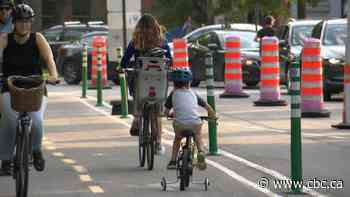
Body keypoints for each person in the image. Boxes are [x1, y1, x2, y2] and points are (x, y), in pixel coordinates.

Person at [0, 3, 59, 175]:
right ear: (14, 22)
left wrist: (53, 75)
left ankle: (36, 150)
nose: (23, 25)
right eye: (19, 21)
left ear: (31, 22)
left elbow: (49, 60)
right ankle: (6, 159)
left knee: (37, 120)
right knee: (9, 120)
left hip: (35, 87)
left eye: (27, 21)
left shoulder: (38, 38)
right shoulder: (4, 39)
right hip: (9, 87)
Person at [120, 14, 172, 155]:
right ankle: (159, 143)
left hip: (142, 78)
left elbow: (125, 59)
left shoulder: (136, 41)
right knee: (157, 113)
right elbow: (170, 61)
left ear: (139, 28)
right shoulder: (162, 42)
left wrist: (122, 68)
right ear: (156, 26)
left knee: (138, 91)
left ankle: (137, 118)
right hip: (159, 80)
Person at [164, 68, 216, 170]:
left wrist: (170, 114)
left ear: (174, 83)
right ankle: (200, 152)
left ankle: (173, 161)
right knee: (197, 135)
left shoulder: (173, 94)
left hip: (180, 124)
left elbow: (165, 111)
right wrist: (212, 116)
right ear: (189, 82)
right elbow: (208, 107)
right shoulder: (193, 93)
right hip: (195, 123)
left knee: (177, 138)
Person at [0, 0, 13, 174]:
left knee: (9, 117)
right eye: (0, 9)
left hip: (14, 72)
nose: (3, 12)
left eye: (7, 9)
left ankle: (6, 160)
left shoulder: (17, 24)